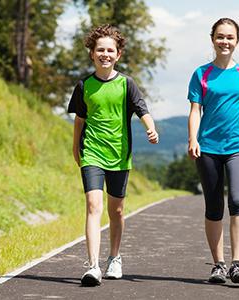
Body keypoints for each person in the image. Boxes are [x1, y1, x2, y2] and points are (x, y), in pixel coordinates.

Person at [67, 24, 159, 286]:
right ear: (92, 54)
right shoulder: (84, 85)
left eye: (110, 50)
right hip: (92, 153)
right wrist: (76, 148)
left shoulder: (126, 84)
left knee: (116, 211)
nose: (105, 54)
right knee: (93, 206)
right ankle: (93, 265)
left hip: (119, 155)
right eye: (100, 50)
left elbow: (143, 111)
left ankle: (114, 258)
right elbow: (79, 120)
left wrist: (151, 129)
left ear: (118, 54)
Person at [187, 17, 239, 284]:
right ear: (213, 39)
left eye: (230, 37)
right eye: (220, 36)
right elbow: (195, 110)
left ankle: (238, 263)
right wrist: (192, 139)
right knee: (214, 205)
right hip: (208, 147)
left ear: (237, 41)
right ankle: (218, 264)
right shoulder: (201, 74)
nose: (225, 41)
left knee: (238, 201)